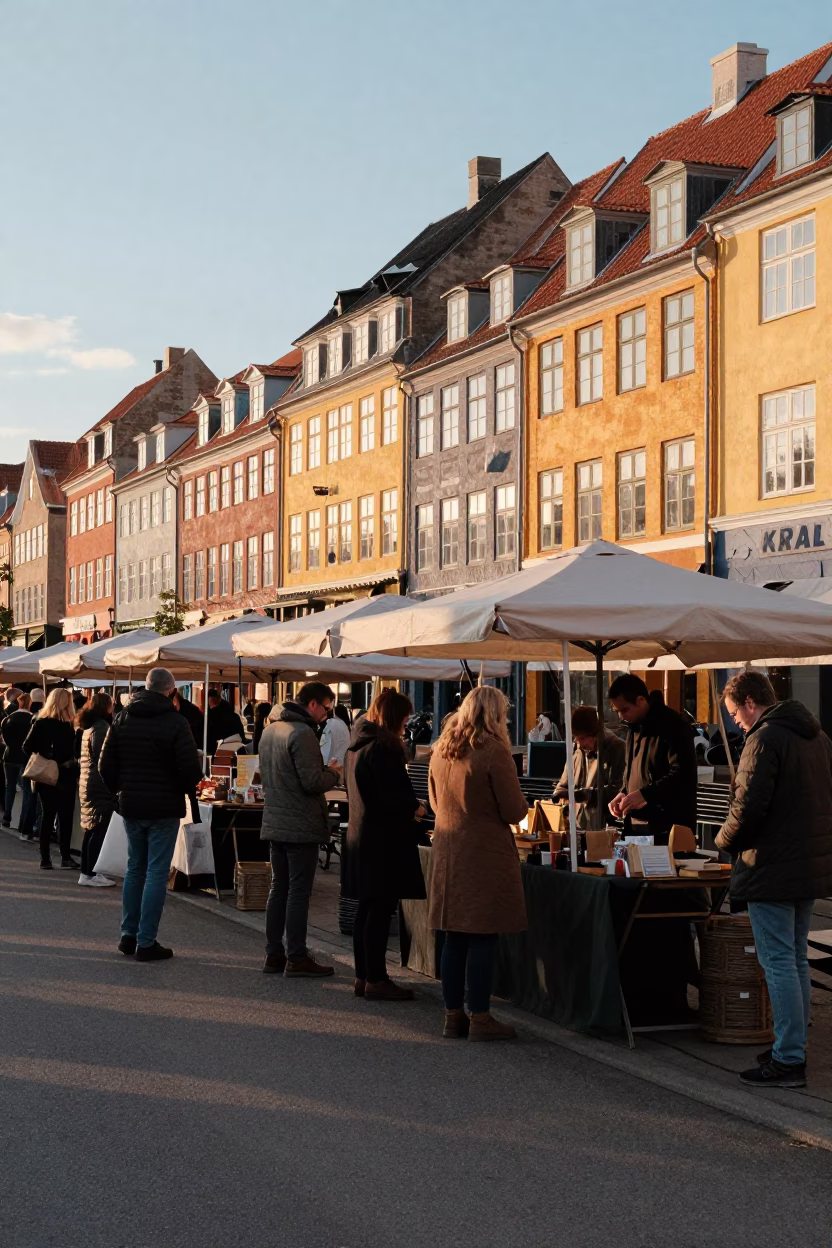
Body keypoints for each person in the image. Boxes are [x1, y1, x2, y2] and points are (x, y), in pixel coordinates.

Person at [715, 671, 832, 1089]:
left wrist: (721, 838)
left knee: (779, 961)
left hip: (771, 866)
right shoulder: (816, 737)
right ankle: (791, 1045)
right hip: (808, 864)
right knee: (795, 958)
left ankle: (788, 1057)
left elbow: (748, 809)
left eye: (734, 714)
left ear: (749, 702)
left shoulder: (763, 739)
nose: (736, 723)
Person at [428, 686, 528, 1041]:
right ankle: (481, 1017)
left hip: (448, 849)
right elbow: (514, 810)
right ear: (494, 714)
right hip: (483, 853)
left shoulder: (441, 750)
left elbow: (436, 802)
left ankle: (452, 1016)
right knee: (483, 936)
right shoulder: (493, 751)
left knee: (454, 936)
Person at [99, 667, 203, 961]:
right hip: (164, 806)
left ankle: (128, 934)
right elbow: (190, 770)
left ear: (145, 688)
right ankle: (146, 940)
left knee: (135, 869)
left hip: (132, 803)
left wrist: (120, 789)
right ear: (171, 691)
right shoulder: (176, 722)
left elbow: (105, 765)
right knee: (156, 872)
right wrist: (178, 788)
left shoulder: (123, 717)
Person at [342, 690, 426, 1001]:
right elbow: (390, 795)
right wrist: (415, 808)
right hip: (382, 841)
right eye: (405, 717)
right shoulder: (382, 749)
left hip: (362, 836)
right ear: (395, 718)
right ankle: (376, 977)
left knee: (367, 908)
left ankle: (364, 975)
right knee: (378, 909)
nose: (407, 723)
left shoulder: (357, 746)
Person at [259, 681, 341, 978]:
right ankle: (296, 956)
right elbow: (312, 782)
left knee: (278, 888)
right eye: (327, 708)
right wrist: (334, 772)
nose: (327, 715)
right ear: (313, 704)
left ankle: (273, 954)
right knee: (298, 892)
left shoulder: (269, 730)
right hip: (300, 823)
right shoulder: (302, 733)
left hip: (276, 820)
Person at [607, 674, 697, 844]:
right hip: (636, 826)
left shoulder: (674, 726)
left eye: (624, 710)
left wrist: (644, 795)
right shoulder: (633, 729)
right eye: (617, 711)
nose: (621, 716)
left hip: (667, 829)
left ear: (641, 700)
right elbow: (633, 770)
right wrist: (624, 791)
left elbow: (683, 774)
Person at [22, 688, 80, 871]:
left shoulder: (41, 723)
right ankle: (65, 857)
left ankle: (45, 858)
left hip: (45, 775)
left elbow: (27, 746)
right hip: (66, 775)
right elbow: (76, 752)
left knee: (47, 816)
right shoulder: (71, 725)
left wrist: (46, 756)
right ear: (66, 702)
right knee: (65, 818)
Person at [553, 705, 626, 831]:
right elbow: (564, 781)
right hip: (578, 825)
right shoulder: (578, 749)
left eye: (583, 738)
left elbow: (618, 789)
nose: (580, 743)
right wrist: (558, 794)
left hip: (605, 826)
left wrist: (586, 795)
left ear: (596, 734)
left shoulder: (616, 749)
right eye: (576, 738)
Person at [76, 693, 117, 888]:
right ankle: (91, 872)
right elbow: (104, 759)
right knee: (98, 829)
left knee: (91, 829)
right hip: (98, 785)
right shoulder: (101, 728)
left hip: (88, 783)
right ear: (106, 706)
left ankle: (88, 871)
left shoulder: (90, 726)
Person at [2, 691, 32, 830]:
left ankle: (7, 816)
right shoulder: (32, 720)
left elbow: (5, 739)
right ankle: (22, 822)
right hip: (24, 758)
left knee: (10, 788)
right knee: (26, 790)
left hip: (9, 756)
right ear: (29, 703)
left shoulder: (7, 719)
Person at [206, 689, 245, 756]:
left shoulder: (210, 717)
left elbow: (209, 736)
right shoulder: (234, 716)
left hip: (216, 752)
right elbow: (241, 736)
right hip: (234, 751)